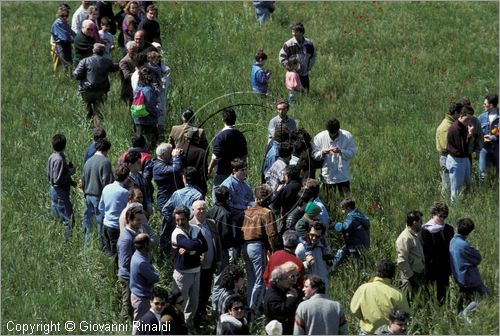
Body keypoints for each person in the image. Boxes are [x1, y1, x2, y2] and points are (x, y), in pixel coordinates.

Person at [241, 184, 278, 317]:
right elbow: (272, 234)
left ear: (255, 196)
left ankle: (247, 307)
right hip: (257, 246)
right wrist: (274, 250)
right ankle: (254, 311)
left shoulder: (247, 211)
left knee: (251, 279)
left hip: (245, 246)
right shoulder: (267, 213)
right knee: (260, 280)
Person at [171, 206, 208, 332]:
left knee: (194, 303)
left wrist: (191, 247)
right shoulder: (177, 233)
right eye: (177, 220)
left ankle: (191, 326)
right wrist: (194, 244)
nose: (180, 222)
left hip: (196, 271)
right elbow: (192, 244)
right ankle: (179, 329)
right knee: (180, 303)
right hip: (182, 274)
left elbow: (205, 246)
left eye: (182, 219)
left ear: (188, 218)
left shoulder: (196, 229)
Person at [350, 259, 410, 334]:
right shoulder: (398, 294)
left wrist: (366, 320)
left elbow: (354, 311)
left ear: (377, 272)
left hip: (367, 332)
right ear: (393, 275)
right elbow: (404, 316)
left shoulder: (363, 288)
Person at [190, 200, 222, 326]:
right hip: (196, 268)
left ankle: (202, 314)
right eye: (199, 209)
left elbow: (217, 243)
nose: (202, 211)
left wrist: (219, 260)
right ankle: (195, 319)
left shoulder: (211, 223)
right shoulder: (189, 225)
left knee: (206, 292)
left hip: (210, 266)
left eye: (204, 208)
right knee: (196, 294)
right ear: (193, 210)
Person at [73, 42, 119, 127]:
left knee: (86, 112)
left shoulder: (85, 60)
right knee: (98, 113)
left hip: (86, 91)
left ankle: (87, 128)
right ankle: (98, 131)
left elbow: (77, 75)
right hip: (101, 91)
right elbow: (114, 67)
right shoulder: (107, 61)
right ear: (103, 52)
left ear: (93, 50)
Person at [449, 218, 489, 316]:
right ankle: (465, 315)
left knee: (463, 300)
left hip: (460, 277)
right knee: (484, 297)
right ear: (468, 232)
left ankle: (460, 316)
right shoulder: (464, 245)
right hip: (469, 278)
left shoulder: (452, 242)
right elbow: (478, 258)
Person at [160, 167, 203, 254]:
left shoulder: (177, 193)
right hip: (191, 229)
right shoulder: (198, 195)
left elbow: (165, 209)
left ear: (184, 178)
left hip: (178, 228)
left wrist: (174, 221)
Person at [419, 201, 454, 305]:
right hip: (430, 267)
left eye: (444, 216)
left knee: (443, 296)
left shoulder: (448, 229)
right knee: (429, 295)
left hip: (444, 267)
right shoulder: (425, 230)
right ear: (433, 214)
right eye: (440, 216)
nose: (442, 219)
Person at [80, 137, 113, 246]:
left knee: (88, 222)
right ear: (106, 150)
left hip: (88, 196)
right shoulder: (105, 163)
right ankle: (101, 245)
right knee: (101, 224)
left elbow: (83, 180)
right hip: (99, 197)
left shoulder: (88, 161)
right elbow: (107, 183)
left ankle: (87, 244)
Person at [220, 158, 255, 261]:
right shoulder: (228, 184)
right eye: (242, 170)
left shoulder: (245, 183)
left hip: (244, 219)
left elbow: (251, 197)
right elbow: (228, 204)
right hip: (233, 220)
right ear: (234, 171)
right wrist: (244, 208)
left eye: (245, 169)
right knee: (233, 246)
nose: (245, 172)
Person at [312, 118, 356, 197]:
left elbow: (352, 153)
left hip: (343, 176)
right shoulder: (319, 137)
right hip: (327, 177)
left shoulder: (347, 136)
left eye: (335, 133)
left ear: (338, 130)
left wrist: (341, 151)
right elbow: (314, 155)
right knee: (329, 200)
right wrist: (323, 152)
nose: (332, 135)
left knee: (346, 200)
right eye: (330, 133)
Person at [208, 108, 248, 193]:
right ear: (235, 119)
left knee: (219, 196)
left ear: (223, 119)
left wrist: (209, 169)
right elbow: (244, 156)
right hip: (237, 172)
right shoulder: (240, 135)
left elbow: (215, 157)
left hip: (222, 172)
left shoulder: (220, 136)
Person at [117, 206, 145, 321]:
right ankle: (124, 325)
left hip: (133, 275)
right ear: (129, 219)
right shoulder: (126, 239)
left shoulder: (134, 233)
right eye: (138, 220)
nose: (140, 222)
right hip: (128, 276)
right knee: (127, 305)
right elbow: (126, 262)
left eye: (141, 219)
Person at [47, 133, 77, 241]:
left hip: (53, 190)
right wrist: (70, 172)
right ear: (64, 145)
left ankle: (53, 240)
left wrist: (72, 182)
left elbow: (52, 176)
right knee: (68, 219)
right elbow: (58, 179)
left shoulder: (52, 156)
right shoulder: (59, 159)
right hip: (60, 192)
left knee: (56, 218)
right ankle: (66, 243)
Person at [99, 165, 131, 257]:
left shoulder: (106, 188)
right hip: (117, 226)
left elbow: (101, 207)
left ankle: (109, 268)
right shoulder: (124, 192)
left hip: (106, 224)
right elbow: (128, 210)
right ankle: (115, 270)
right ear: (127, 177)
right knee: (117, 252)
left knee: (109, 250)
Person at [332, 198, 370, 271]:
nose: (342, 211)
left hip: (356, 244)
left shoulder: (351, 217)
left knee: (358, 263)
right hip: (362, 242)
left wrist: (335, 225)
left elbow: (344, 227)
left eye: (343, 209)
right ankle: (333, 267)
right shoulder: (358, 214)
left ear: (348, 208)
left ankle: (360, 276)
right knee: (342, 252)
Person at [264, 262, 301, 334]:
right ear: (279, 280)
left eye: (297, 275)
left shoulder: (284, 289)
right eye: (288, 278)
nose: (294, 279)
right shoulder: (273, 296)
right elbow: (283, 312)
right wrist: (291, 299)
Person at [446, 106, 474, 203]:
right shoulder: (455, 129)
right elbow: (462, 148)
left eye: (470, 118)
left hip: (464, 159)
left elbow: (464, 148)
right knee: (456, 188)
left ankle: (466, 203)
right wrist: (469, 135)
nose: (469, 121)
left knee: (467, 185)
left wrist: (468, 135)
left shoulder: (463, 127)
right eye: (467, 118)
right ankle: (454, 207)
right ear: (461, 115)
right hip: (456, 160)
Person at [395, 210, 425, 298]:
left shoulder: (415, 235)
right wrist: (411, 276)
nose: (422, 224)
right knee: (408, 304)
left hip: (418, 275)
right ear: (414, 222)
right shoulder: (404, 238)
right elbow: (402, 260)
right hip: (410, 279)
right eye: (420, 222)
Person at [130, 233, 159, 321]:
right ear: (146, 244)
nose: (151, 244)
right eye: (149, 242)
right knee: (139, 325)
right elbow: (154, 278)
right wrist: (156, 273)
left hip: (137, 295)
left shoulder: (137, 254)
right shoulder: (141, 262)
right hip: (142, 299)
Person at [295, 222, 331, 291]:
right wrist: (306, 264)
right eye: (312, 235)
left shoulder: (324, 247)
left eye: (317, 236)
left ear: (321, 236)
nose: (314, 238)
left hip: (323, 285)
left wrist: (329, 260)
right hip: (309, 288)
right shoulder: (300, 249)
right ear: (308, 232)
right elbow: (296, 270)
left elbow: (328, 267)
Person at [279, 23, 316, 91]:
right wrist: (290, 67)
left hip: (305, 74)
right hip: (293, 75)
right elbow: (282, 57)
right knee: (294, 95)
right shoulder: (288, 44)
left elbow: (313, 56)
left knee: (305, 93)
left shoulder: (309, 44)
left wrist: (309, 66)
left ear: (301, 32)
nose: (293, 34)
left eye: (295, 31)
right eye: (292, 31)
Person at [435, 101, 462, 195]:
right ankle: (443, 203)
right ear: (455, 113)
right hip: (447, 158)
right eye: (460, 114)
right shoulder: (446, 127)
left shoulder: (451, 123)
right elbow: (445, 146)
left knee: (451, 183)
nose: (461, 116)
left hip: (450, 157)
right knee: (446, 185)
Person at [149, 143, 183, 212]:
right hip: (165, 202)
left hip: (171, 199)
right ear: (163, 154)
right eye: (170, 152)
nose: (172, 154)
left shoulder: (164, 162)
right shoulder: (158, 167)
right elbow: (175, 169)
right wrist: (176, 156)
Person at [133, 66, 160, 150]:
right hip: (148, 119)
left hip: (138, 117)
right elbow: (150, 106)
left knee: (139, 139)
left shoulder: (138, 87)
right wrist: (157, 113)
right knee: (151, 141)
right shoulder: (148, 90)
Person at [271, 164, 303, 231]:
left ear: (287, 175)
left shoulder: (286, 189)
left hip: (288, 219)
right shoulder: (302, 186)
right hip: (302, 218)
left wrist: (277, 191)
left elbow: (274, 203)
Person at [179, 129, 209, 197]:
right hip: (198, 184)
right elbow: (203, 171)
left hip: (182, 183)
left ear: (186, 138)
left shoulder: (180, 149)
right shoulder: (201, 152)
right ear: (197, 139)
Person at [478, 93, 499, 184]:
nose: (483, 105)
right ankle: (482, 191)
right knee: (482, 173)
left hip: (497, 148)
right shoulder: (482, 117)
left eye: (485, 104)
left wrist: (493, 137)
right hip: (485, 148)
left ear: (491, 105)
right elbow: (477, 133)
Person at [124, 151, 152, 218]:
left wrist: (149, 205)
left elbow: (147, 192)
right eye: (138, 163)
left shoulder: (141, 177)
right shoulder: (125, 180)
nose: (141, 164)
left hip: (143, 212)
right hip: (131, 213)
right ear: (130, 165)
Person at [50, 5, 75, 71]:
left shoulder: (66, 23)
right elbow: (63, 36)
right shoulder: (57, 24)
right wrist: (72, 39)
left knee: (70, 61)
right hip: (60, 45)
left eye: (66, 16)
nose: (64, 17)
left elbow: (71, 32)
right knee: (65, 63)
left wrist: (76, 37)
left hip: (67, 44)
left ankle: (70, 76)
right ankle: (65, 77)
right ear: (58, 15)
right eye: (62, 16)